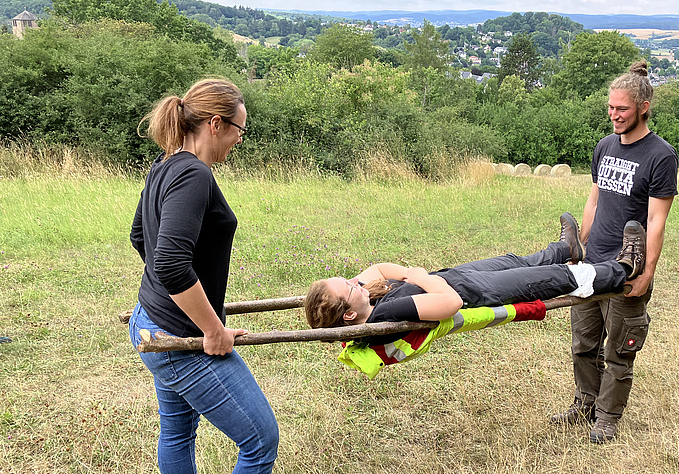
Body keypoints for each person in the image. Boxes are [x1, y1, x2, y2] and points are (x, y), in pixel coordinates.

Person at [128, 79, 278, 473]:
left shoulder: (165, 163)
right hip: (180, 337)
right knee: (261, 441)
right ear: (216, 123)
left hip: (152, 320)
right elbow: (170, 263)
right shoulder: (194, 174)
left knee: (177, 430)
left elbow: (140, 236)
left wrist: (165, 293)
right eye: (239, 130)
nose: (240, 140)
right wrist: (211, 329)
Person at [304, 213, 646, 364]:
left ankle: (568, 248)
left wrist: (411, 274)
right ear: (349, 313)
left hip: (458, 276)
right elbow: (449, 303)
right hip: (475, 294)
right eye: (349, 287)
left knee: (519, 261)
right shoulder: (385, 314)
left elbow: (379, 267)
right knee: (551, 279)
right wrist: (420, 276)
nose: (355, 281)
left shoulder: (362, 301)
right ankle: (624, 268)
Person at [550, 61, 678, 444]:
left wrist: (647, 273)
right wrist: (577, 249)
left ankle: (606, 419)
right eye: (610, 107)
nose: (614, 115)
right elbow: (594, 201)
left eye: (622, 109)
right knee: (583, 344)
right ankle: (584, 404)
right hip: (591, 264)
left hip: (625, 269)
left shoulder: (660, 155)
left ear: (643, 107)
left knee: (620, 351)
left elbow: (656, 221)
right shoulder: (604, 146)